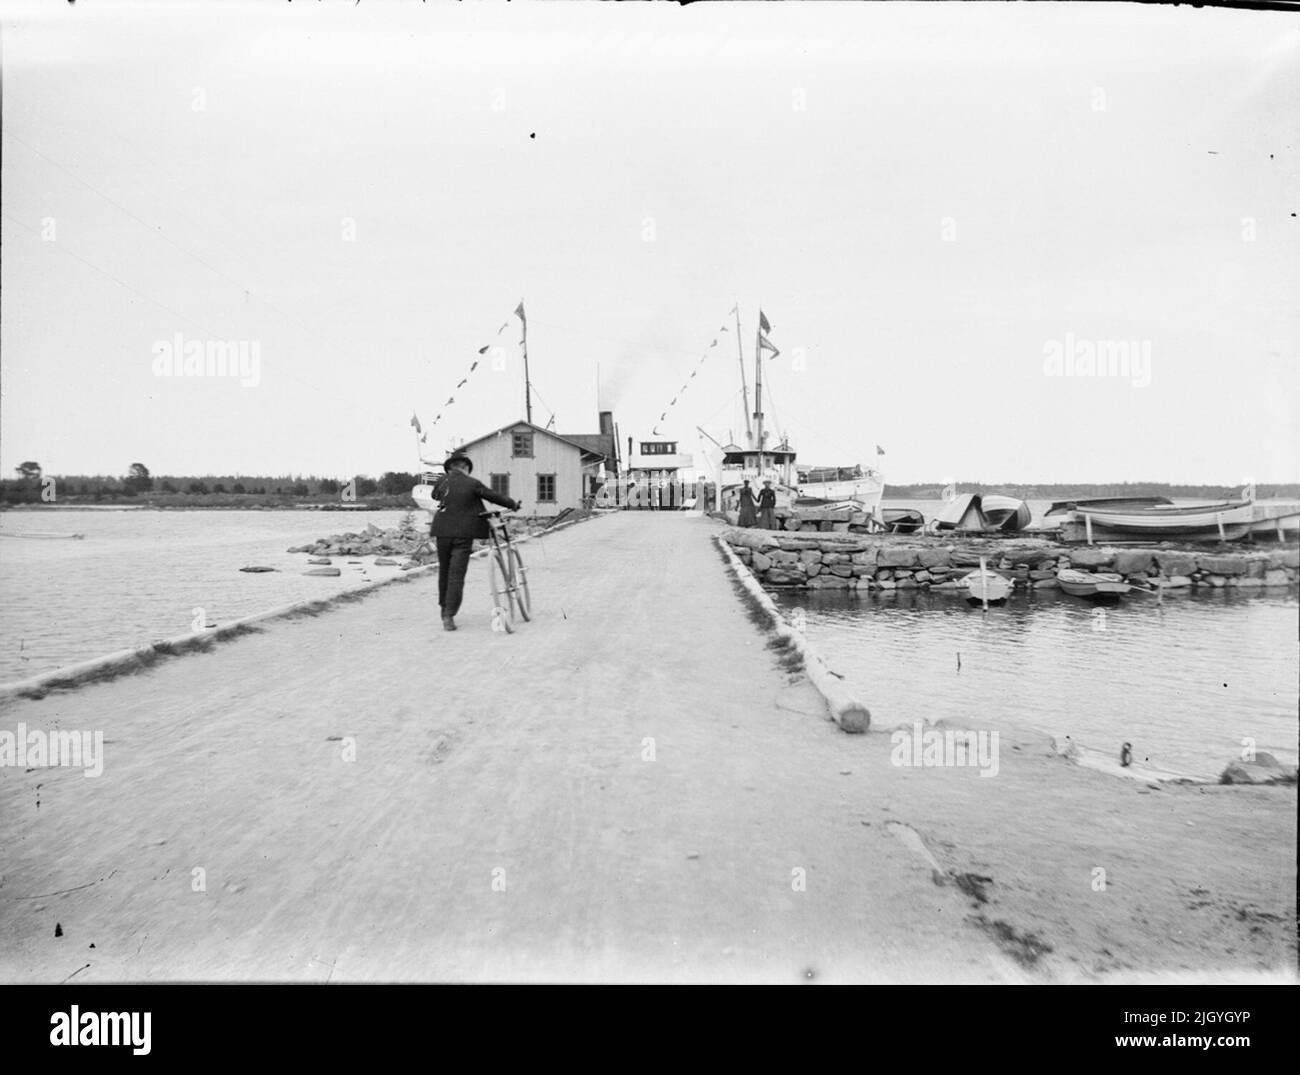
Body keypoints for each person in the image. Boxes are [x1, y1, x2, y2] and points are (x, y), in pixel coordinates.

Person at [429, 453, 520, 631]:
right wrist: (512, 504)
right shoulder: (473, 483)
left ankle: (444, 612)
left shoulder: (442, 481)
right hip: (463, 534)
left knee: (445, 572)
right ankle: (449, 614)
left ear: (449, 468)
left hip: (442, 532)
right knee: (456, 575)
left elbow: (434, 496)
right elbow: (493, 496)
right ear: (465, 468)